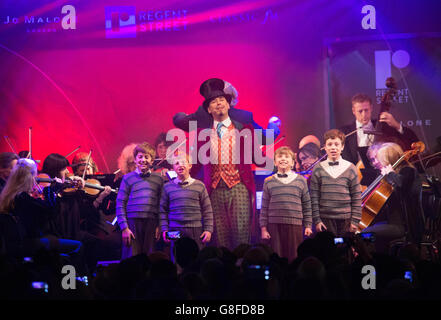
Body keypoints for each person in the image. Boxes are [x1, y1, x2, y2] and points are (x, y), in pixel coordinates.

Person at [185, 78, 266, 251]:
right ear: (208, 109)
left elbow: (260, 159)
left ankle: (242, 273)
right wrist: (180, 174)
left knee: (241, 235)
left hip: (239, 187)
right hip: (214, 190)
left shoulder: (244, 129)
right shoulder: (202, 134)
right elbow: (195, 164)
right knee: (220, 239)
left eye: (222, 100)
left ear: (229, 105)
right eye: (214, 101)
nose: (219, 104)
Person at [0, 158, 83, 260]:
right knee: (78, 245)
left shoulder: (10, 196)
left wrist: (52, 190)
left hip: (17, 243)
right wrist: (53, 190)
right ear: (29, 176)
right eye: (34, 175)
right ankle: (74, 275)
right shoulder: (23, 198)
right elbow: (49, 211)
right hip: (31, 242)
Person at [361, 142, 426, 252]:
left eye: (380, 158)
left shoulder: (407, 171)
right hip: (393, 222)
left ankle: (374, 262)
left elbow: (402, 187)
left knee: (364, 234)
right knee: (372, 233)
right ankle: (382, 261)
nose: (378, 162)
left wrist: (390, 174)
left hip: (405, 225)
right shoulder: (394, 176)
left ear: (388, 158)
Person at [172, 78, 281, 143]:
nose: (218, 102)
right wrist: (273, 125)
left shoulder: (201, 114)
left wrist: (185, 115)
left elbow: (179, 120)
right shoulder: (243, 117)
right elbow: (267, 138)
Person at [259, 146, 312, 261]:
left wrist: (308, 225)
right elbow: (264, 207)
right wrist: (264, 229)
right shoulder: (268, 181)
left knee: (294, 257)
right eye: (280, 156)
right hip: (274, 225)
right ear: (275, 162)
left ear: (293, 163)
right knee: (277, 257)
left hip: (295, 224)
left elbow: (307, 204)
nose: (283, 159)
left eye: (287, 157)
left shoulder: (301, 180)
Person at [339, 93, 418, 170]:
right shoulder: (345, 133)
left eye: (366, 110)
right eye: (360, 111)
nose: (364, 115)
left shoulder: (382, 127)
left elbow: (412, 139)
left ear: (371, 108)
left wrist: (396, 125)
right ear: (353, 111)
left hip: (385, 173)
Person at [116, 142, 163, 260]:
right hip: (132, 223)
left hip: (151, 223)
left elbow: (161, 205)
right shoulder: (127, 178)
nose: (143, 160)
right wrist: (124, 228)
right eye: (140, 157)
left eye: (146, 157)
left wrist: (159, 225)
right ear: (135, 160)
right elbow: (120, 203)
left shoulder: (158, 179)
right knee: (132, 259)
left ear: (152, 161)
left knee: (150, 258)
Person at [310, 129, 362, 236]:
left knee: (344, 250)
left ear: (342, 147)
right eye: (329, 144)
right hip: (325, 219)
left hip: (346, 219)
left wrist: (355, 221)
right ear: (325, 147)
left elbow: (356, 196)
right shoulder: (318, 168)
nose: (333, 147)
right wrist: (317, 220)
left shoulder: (351, 168)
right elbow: (314, 197)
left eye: (336, 144)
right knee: (328, 251)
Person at [160, 152, 213, 252]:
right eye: (177, 163)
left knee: (196, 259)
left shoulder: (199, 186)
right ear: (173, 167)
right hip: (174, 229)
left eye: (184, 162)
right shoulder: (167, 187)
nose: (180, 165)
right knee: (177, 258)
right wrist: (164, 229)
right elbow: (162, 211)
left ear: (190, 165)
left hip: (196, 230)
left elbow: (207, 210)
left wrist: (208, 229)